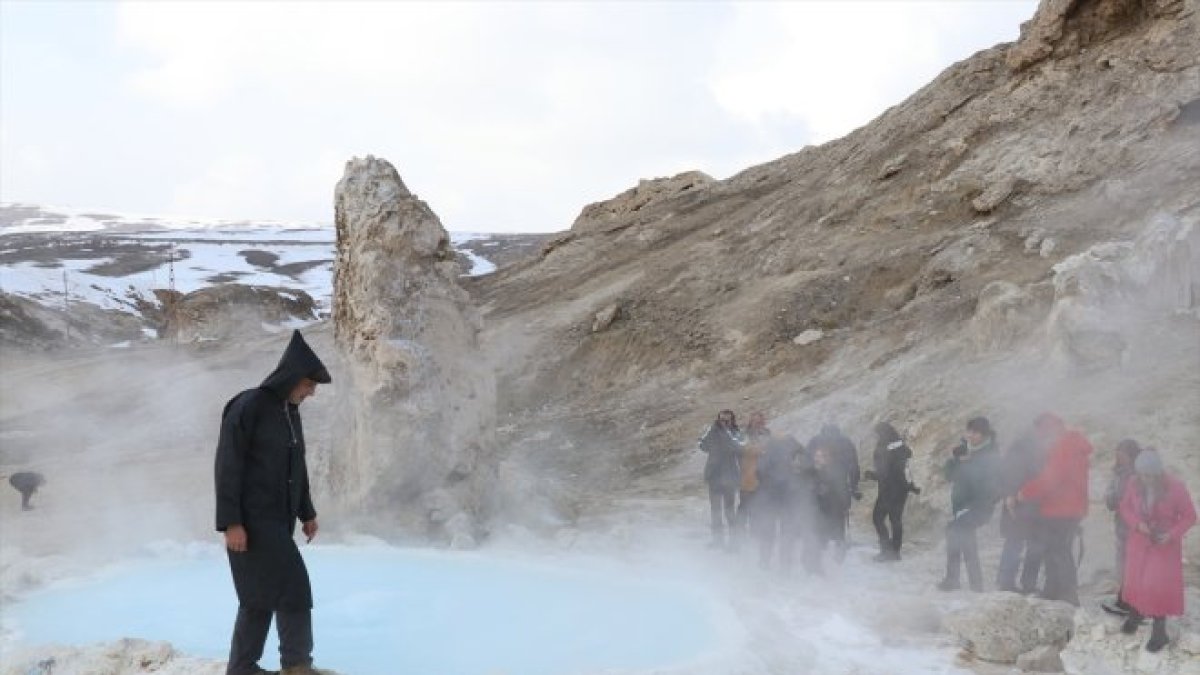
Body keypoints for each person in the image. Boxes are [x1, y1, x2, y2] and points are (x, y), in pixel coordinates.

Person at [215, 330, 332, 675]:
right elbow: (227, 466)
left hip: (278, 521)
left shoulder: (289, 411)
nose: (311, 392)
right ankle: (297, 666)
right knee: (294, 589)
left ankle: (242, 668)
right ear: (292, 377)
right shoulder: (249, 405)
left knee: (258, 596)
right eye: (308, 384)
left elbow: (297, 466)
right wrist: (231, 522)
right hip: (253, 521)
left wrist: (307, 512)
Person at [1118, 448, 1196, 653]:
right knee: (1135, 581)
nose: (1148, 479)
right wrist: (1137, 524)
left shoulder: (1176, 487)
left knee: (1157, 586)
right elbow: (1125, 508)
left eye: (1152, 475)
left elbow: (1190, 516)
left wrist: (1171, 534)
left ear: (1159, 472)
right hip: (1139, 541)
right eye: (1144, 475)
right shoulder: (1133, 483)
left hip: (1164, 546)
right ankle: (1136, 615)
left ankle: (1159, 632)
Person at [1017, 413, 1093, 606]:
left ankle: (1068, 593)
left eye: (1042, 433)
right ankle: (1052, 589)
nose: (1041, 438)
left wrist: (1025, 492)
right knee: (1053, 549)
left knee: (1059, 551)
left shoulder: (1064, 447)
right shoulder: (1072, 445)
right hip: (1067, 507)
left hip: (1062, 508)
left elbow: (1051, 478)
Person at [938, 417, 1000, 592]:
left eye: (976, 432)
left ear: (984, 434)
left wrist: (970, 461)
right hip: (960, 506)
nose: (971, 435)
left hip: (979, 507)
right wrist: (956, 459)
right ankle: (974, 583)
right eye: (969, 431)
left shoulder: (990, 454)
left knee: (954, 531)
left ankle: (954, 580)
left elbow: (991, 485)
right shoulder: (964, 449)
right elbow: (949, 475)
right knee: (965, 539)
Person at [995, 428, 1047, 594]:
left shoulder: (1028, 451)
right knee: (1018, 543)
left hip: (1031, 505)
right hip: (1019, 505)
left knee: (1025, 543)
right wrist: (1010, 495)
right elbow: (1010, 476)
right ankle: (1010, 582)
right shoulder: (1021, 452)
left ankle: (1013, 581)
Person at [754, 431, 811, 574]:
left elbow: (759, 472)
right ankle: (784, 565)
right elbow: (805, 465)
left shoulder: (769, 450)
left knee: (769, 531)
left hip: (771, 497)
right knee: (786, 532)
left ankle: (765, 561)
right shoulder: (794, 449)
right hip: (787, 497)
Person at [865, 422, 917, 562]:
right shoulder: (901, 446)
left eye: (877, 435)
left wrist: (871, 475)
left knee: (877, 518)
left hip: (888, 490)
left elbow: (884, 473)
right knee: (896, 520)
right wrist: (911, 485)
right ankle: (895, 552)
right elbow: (905, 468)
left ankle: (886, 551)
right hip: (902, 489)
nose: (876, 437)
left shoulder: (883, 449)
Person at [808, 424, 861, 560]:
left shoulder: (816, 441)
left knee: (821, 514)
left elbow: (807, 463)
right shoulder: (846, 443)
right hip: (839, 486)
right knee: (838, 515)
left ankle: (823, 542)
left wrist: (809, 483)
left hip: (821, 486)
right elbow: (854, 466)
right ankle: (838, 542)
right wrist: (854, 485)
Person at [1102, 439, 1142, 615]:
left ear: (1132, 455)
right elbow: (1110, 495)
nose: (1119, 457)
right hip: (1121, 524)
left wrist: (1120, 499)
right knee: (1122, 562)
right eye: (1117, 454)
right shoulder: (1118, 472)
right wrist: (1112, 498)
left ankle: (1134, 603)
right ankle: (1124, 599)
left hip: (1136, 527)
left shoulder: (1140, 474)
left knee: (1133, 564)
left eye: (1123, 454)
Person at [698, 409, 745, 550]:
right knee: (715, 511)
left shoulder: (736, 432)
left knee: (730, 510)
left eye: (727, 420)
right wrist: (713, 432)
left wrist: (727, 433)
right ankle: (718, 541)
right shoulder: (712, 430)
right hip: (714, 475)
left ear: (732, 420)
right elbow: (702, 445)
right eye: (722, 419)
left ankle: (734, 543)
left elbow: (741, 447)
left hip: (730, 476)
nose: (724, 422)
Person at [736, 412, 770, 544]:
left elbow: (771, 448)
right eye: (755, 421)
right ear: (751, 422)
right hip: (748, 476)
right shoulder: (744, 435)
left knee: (759, 507)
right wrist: (761, 449)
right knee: (745, 506)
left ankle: (755, 533)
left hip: (763, 478)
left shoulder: (767, 433)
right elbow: (744, 449)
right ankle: (738, 534)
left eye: (760, 422)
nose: (758, 424)